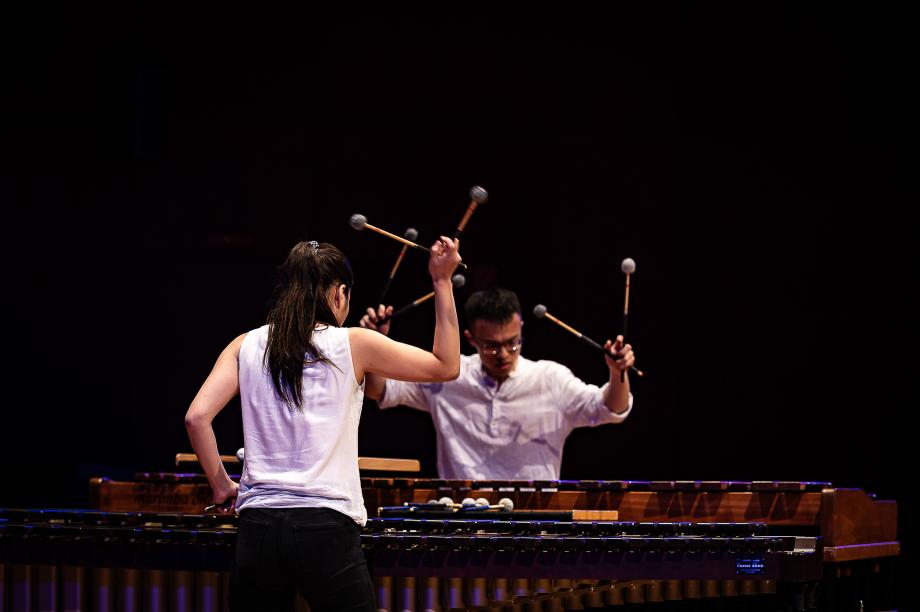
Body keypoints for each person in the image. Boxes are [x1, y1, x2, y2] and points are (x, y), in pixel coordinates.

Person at [184, 237, 462, 612]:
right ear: (338, 293)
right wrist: (442, 281)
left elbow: (196, 417)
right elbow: (446, 365)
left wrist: (221, 486)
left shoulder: (244, 345)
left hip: (258, 528)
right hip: (325, 529)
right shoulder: (354, 343)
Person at [360, 288, 634, 481]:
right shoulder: (450, 376)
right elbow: (379, 390)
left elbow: (611, 408)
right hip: (462, 518)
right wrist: (374, 344)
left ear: (522, 329)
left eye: (512, 342)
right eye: (490, 346)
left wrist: (617, 372)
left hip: (535, 519)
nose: (503, 354)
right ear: (470, 339)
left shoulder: (549, 379)